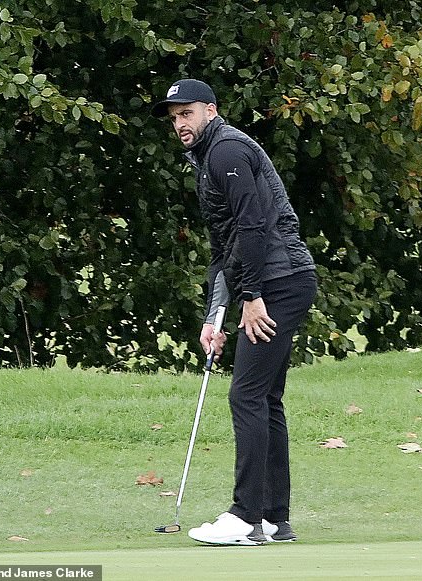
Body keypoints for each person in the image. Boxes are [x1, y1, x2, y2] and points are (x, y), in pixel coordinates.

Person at [152, 79, 317, 546]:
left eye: (187, 113)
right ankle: (273, 520)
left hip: (278, 283)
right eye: (174, 117)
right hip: (278, 281)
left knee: (245, 395)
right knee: (264, 398)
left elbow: (253, 227)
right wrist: (215, 315)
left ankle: (245, 516)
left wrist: (252, 296)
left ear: (210, 109)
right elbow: (225, 247)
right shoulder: (208, 158)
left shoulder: (225, 152)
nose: (180, 124)